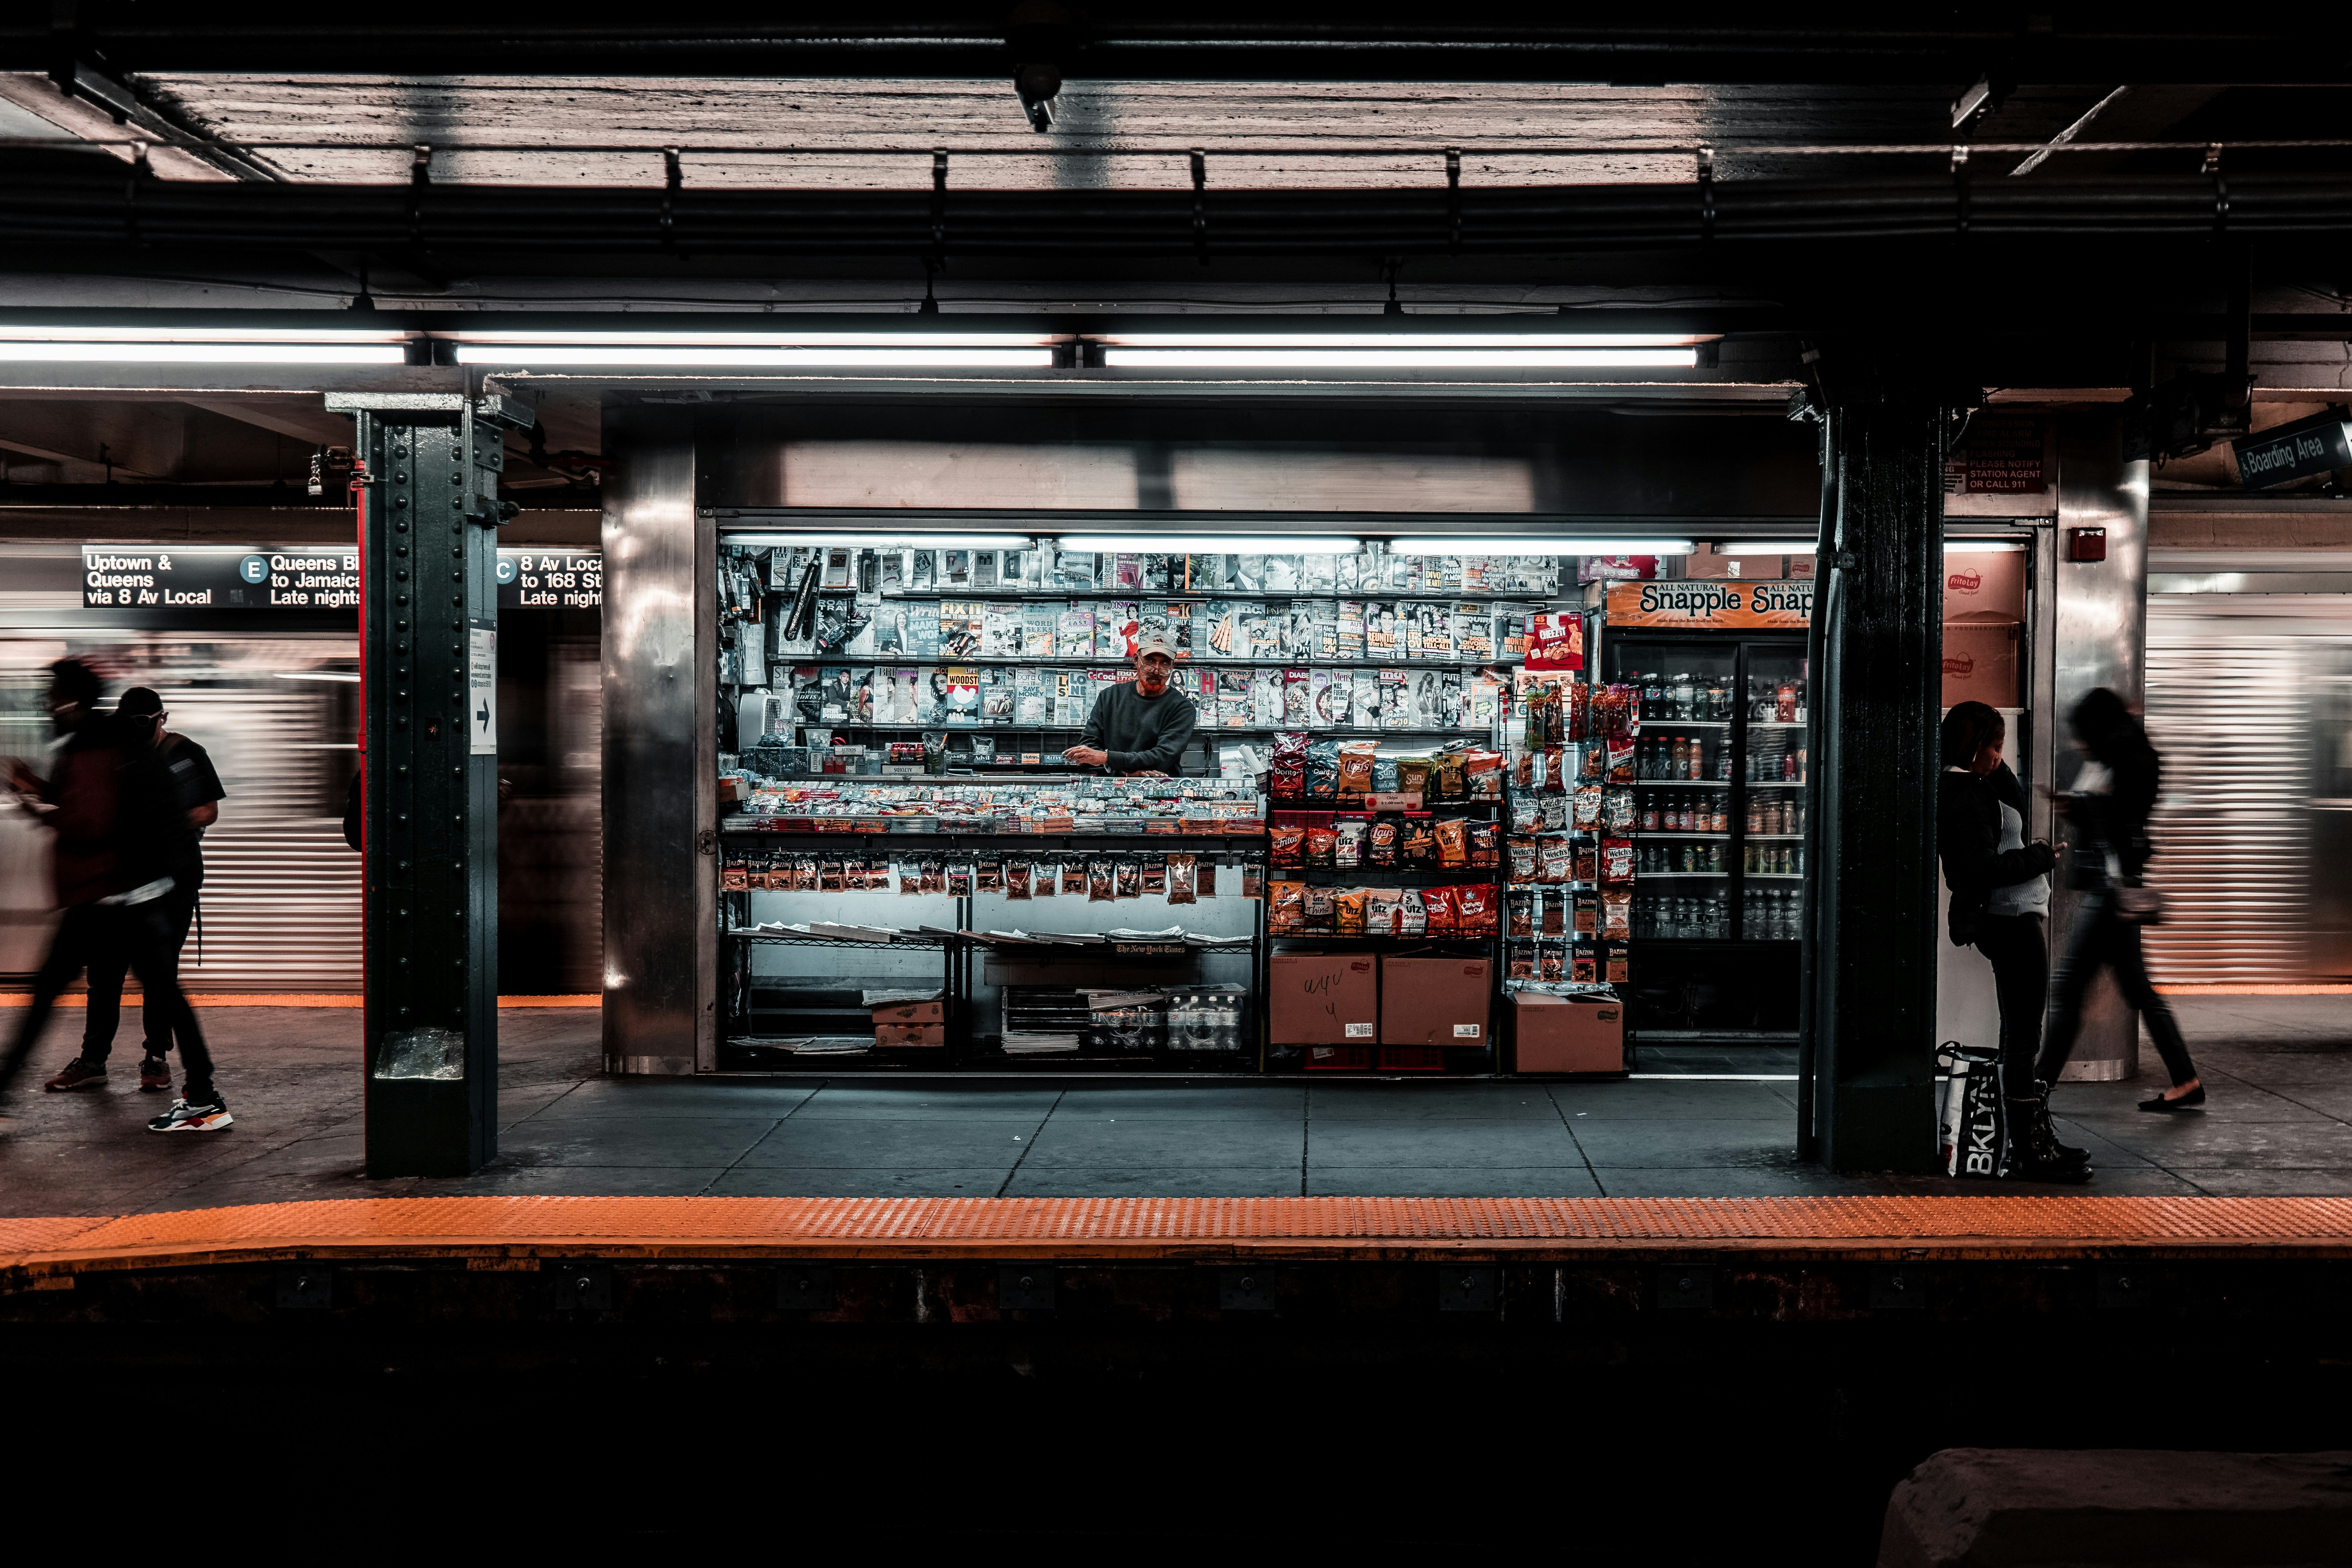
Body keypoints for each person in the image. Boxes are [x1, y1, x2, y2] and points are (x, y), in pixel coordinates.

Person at [0, 659, 228, 1132]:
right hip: (132, 891)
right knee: (154, 989)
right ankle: (200, 1094)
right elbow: (89, 804)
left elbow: (91, 821)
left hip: (112, 894)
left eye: (51, 698)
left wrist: (33, 807)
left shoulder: (100, 745)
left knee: (57, 991)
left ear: (69, 702)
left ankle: (11, 1091)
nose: (46, 708)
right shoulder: (114, 744)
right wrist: (37, 788)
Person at [1937, 701, 2087, 1181]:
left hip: (2014, 919)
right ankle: (2030, 1150)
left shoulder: (1976, 784)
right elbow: (1978, 869)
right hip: (2010, 923)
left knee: (2020, 1036)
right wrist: (2042, 858)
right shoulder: (1964, 794)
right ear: (1973, 746)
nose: (2000, 756)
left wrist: (1997, 769)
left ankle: (2033, 1141)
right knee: (2023, 1040)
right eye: (1994, 747)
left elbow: (2014, 807)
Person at [2037, 687, 2204, 1112]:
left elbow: (2119, 824)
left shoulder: (2125, 763)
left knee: (2068, 987)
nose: (2079, 742)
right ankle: (2185, 1080)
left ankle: (2037, 1089)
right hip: (2115, 887)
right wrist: (2079, 807)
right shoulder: (2129, 758)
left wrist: (2082, 807)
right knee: (2139, 990)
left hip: (2110, 892)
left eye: (2082, 732)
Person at [77, 687, 224, 1091]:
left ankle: (157, 1058)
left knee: (160, 977)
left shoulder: (186, 753)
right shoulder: (115, 755)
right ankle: (93, 1060)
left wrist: (160, 820)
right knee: (104, 975)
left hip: (172, 882)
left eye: (146, 722)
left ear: (163, 718)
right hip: (120, 881)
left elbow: (208, 810)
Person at [1063, 632, 1196, 776]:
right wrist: (1125, 773)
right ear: (1137, 660)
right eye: (1150, 661)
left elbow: (1163, 757)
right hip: (1114, 786)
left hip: (1162, 786)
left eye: (1165, 663)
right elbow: (1089, 750)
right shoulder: (1109, 697)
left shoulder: (1182, 708)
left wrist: (1107, 758)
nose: (1156, 670)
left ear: (1173, 666)